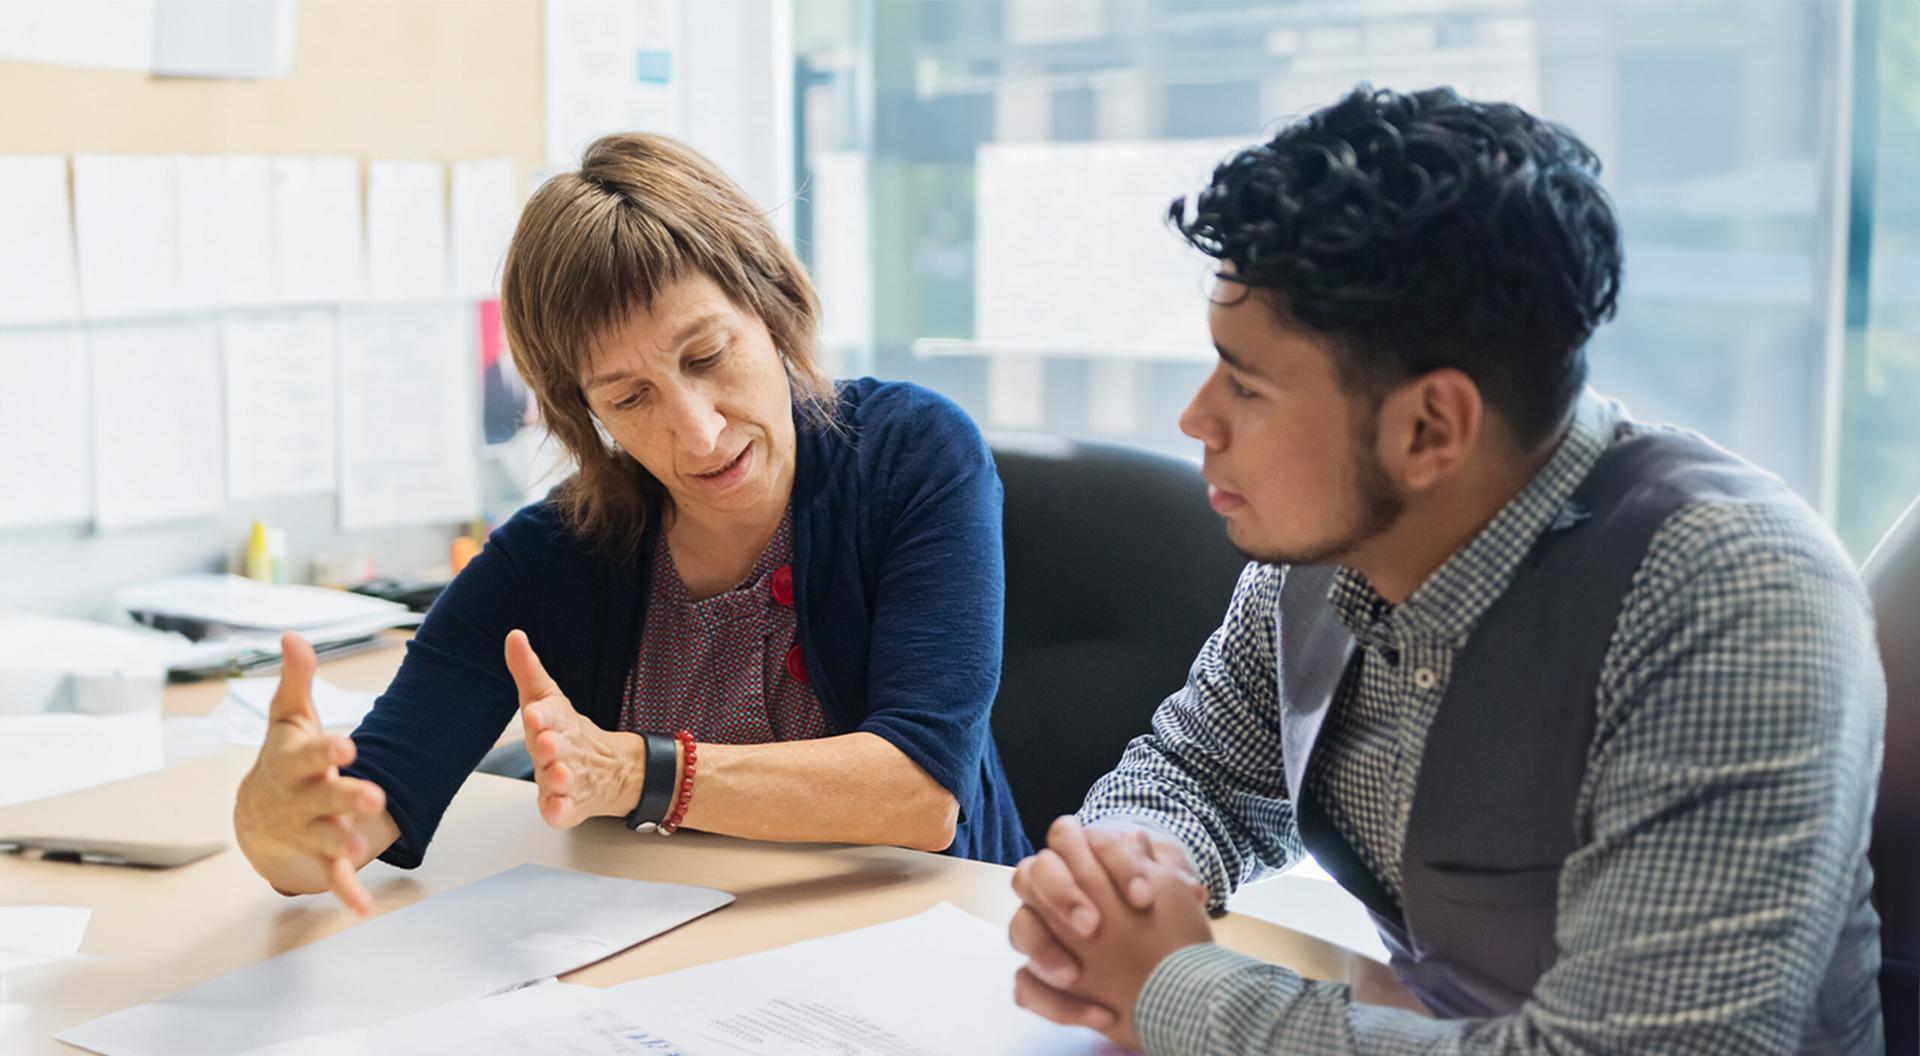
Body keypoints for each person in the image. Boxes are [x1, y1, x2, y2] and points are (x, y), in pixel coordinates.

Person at [1007, 86, 1886, 1054]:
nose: (1197, 420)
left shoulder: (1734, 596)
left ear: (1431, 429)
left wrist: (1173, 990)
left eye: (1246, 385)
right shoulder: (1330, 542)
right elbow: (1205, 772)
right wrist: (1122, 877)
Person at [234, 133, 1033, 915]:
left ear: (772, 306)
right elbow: (358, 815)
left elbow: (921, 792)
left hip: (926, 946)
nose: (697, 433)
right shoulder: (553, 555)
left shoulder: (909, 454)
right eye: (628, 399)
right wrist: (280, 829)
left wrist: (632, 773)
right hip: (680, 967)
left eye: (706, 355)